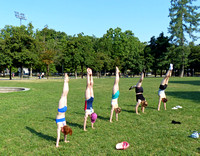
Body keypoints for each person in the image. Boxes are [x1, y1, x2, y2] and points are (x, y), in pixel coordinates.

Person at [56, 73, 72, 147]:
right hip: (61, 109)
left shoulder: (64, 125)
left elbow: (64, 133)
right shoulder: (61, 126)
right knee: (64, 94)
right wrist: (57, 144)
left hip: (64, 109)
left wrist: (58, 144)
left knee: (65, 94)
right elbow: (59, 135)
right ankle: (65, 81)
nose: (62, 132)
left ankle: (66, 81)